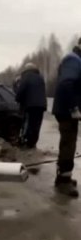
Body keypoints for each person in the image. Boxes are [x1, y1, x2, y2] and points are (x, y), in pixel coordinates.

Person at [52, 38, 81, 198]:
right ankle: (63, 182)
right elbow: (66, 84)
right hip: (67, 111)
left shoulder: (76, 60)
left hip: (66, 110)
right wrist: (74, 108)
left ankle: (63, 175)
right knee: (68, 144)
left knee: (68, 142)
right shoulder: (73, 59)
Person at [16, 63, 47, 148]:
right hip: (41, 105)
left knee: (29, 123)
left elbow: (21, 90)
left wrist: (17, 99)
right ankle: (33, 143)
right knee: (37, 124)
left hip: (30, 105)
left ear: (26, 69)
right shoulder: (40, 78)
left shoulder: (26, 77)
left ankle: (27, 142)